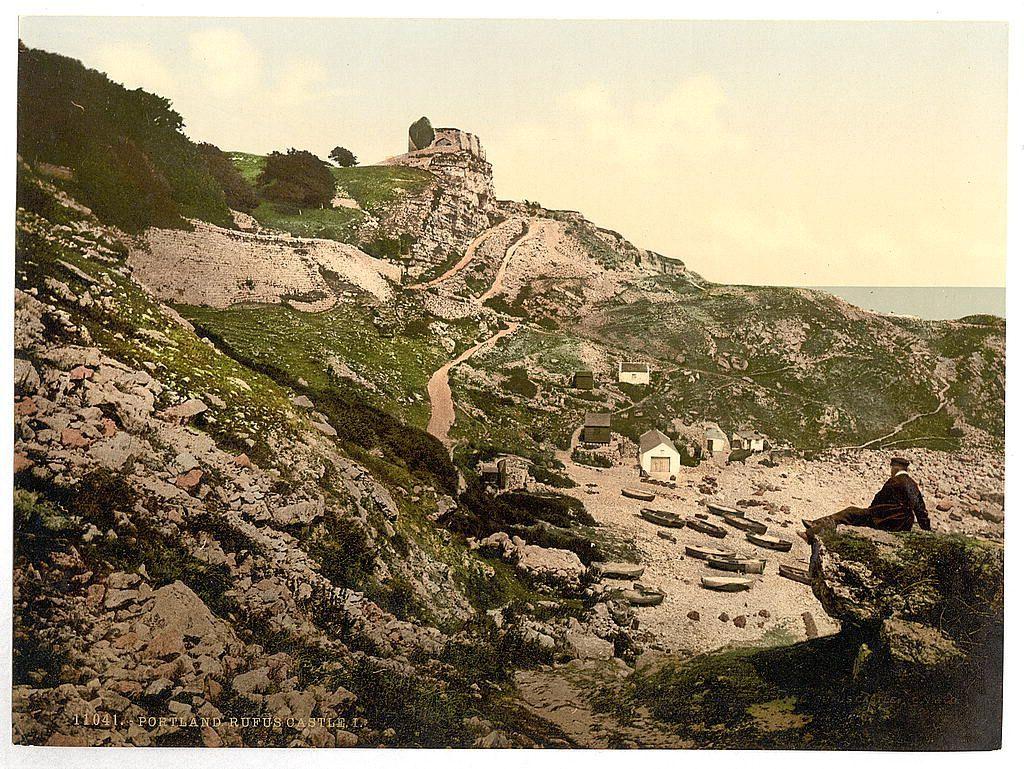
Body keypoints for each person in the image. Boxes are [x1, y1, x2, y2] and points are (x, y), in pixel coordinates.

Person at [801, 456, 931, 539]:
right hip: (901, 522)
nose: (891, 471)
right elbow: (920, 509)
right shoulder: (911, 483)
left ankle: (813, 529)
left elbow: (878, 499)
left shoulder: (896, 481)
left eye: (892, 469)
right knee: (853, 513)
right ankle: (814, 528)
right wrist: (927, 530)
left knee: (850, 512)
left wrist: (870, 512)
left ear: (895, 468)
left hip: (886, 520)